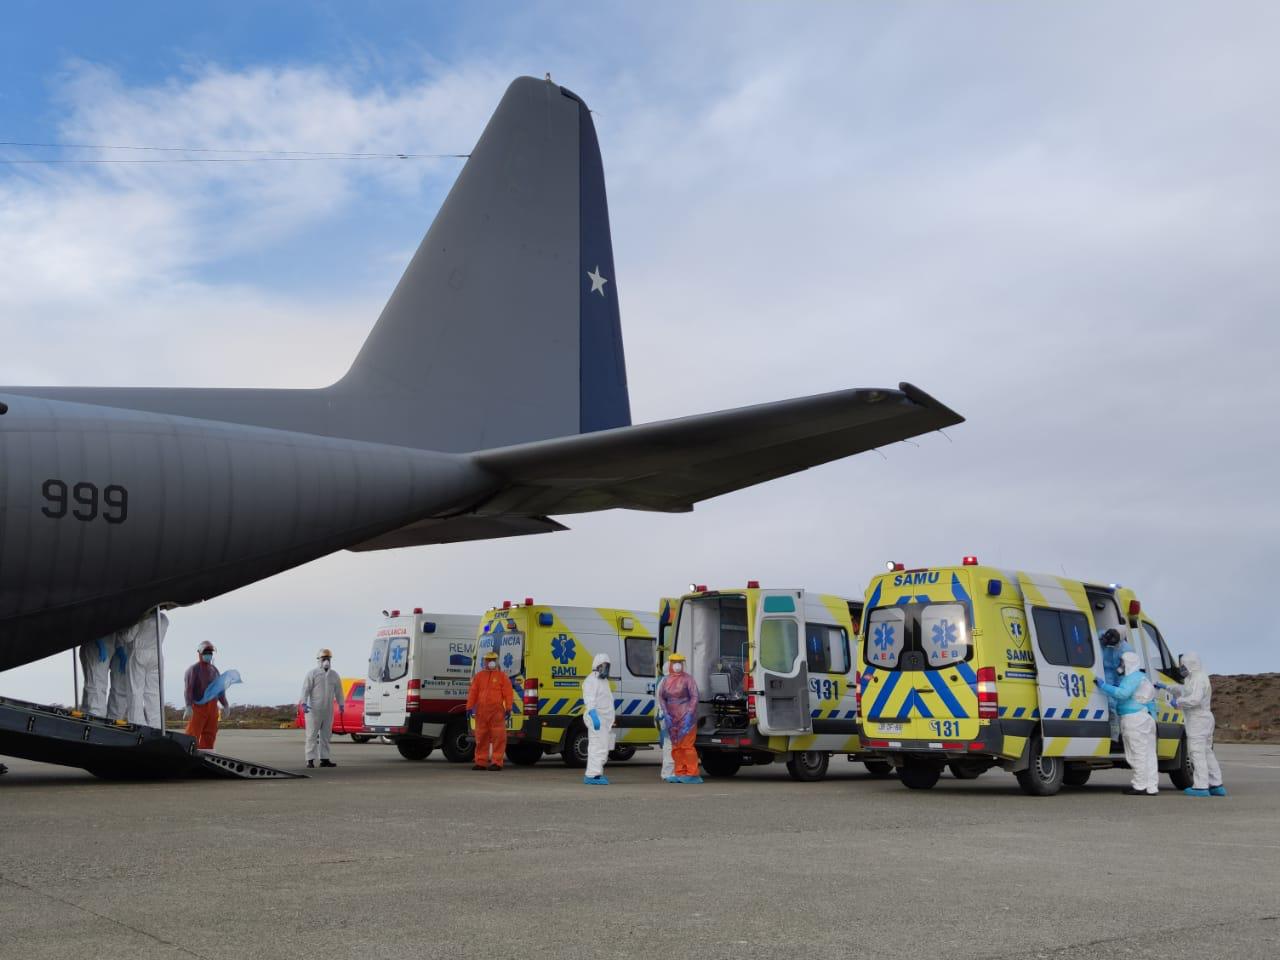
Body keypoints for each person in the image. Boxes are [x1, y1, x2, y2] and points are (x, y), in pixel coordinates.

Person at [1157, 652, 1226, 797]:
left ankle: (1201, 787)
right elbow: (1183, 690)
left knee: (1196, 752)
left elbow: (1194, 699)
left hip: (1198, 719)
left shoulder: (1198, 679)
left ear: (1190, 664)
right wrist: (1165, 686)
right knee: (1207, 752)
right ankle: (1216, 784)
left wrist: (1178, 703)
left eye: (1183, 665)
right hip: (1203, 719)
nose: (1181, 668)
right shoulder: (1195, 677)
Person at [1096, 650, 1158, 795]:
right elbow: (1151, 701)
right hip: (1145, 718)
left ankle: (1139, 785)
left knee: (1137, 753)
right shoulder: (1143, 677)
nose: (1120, 665)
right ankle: (1151, 786)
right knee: (1149, 753)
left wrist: (1103, 686)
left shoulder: (1132, 678)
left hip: (1134, 719)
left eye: (1122, 662)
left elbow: (1122, 693)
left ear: (1128, 664)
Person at [658, 652, 701, 783]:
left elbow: (695, 696)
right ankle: (680, 772)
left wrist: (690, 713)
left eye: (680, 662)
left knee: (687, 746)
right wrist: (665, 713)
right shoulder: (665, 681)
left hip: (686, 718)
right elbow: (661, 697)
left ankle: (692, 773)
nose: (677, 665)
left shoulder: (688, 679)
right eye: (674, 662)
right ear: (670, 664)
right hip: (672, 719)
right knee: (676, 747)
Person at [467, 650, 513, 770]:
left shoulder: (502, 677)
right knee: (481, 737)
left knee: (498, 737)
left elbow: (508, 693)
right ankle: (480, 762)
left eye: (493, 660)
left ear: (497, 661)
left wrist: (508, 708)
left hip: (496, 711)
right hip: (481, 711)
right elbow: (473, 693)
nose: (490, 662)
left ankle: (497, 762)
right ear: (484, 661)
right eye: (488, 660)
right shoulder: (479, 676)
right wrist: (469, 707)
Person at [299, 648, 345, 768]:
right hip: (314, 710)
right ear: (319, 660)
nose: (326, 661)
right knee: (312, 735)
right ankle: (310, 759)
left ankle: (325, 759)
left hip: (328, 710)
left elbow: (339, 691)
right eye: (324, 659)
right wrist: (303, 703)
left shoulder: (334, 675)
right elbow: (305, 689)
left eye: (328, 659)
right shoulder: (312, 673)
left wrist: (341, 703)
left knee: (326, 735)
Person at [126, 612, 169, 728]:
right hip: (157, 655)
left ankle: (137, 724)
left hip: (140, 652)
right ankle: (157, 726)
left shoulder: (141, 617)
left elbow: (127, 637)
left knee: (136, 690)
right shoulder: (164, 619)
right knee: (154, 693)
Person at [580, 653, 616, 785]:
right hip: (597, 718)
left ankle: (596, 773)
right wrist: (594, 716)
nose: (606, 669)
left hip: (604, 721)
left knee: (603, 746)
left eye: (608, 666)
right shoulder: (591, 680)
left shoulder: (603, 681)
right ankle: (592, 774)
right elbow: (590, 699)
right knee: (597, 746)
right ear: (598, 666)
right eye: (604, 666)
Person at [183, 641, 227, 749]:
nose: (209, 655)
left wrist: (225, 705)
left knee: (210, 734)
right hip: (198, 706)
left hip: (213, 707)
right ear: (200, 653)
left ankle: (206, 755)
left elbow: (220, 689)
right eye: (206, 652)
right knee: (192, 733)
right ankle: (187, 755)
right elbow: (188, 689)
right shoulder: (193, 669)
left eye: (210, 652)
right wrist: (188, 706)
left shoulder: (215, 670)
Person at [78, 635, 112, 716]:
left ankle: (89, 716)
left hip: (102, 647)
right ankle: (96, 717)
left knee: (95, 686)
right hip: (96, 648)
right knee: (96, 685)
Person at [654, 660, 676, 782]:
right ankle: (668, 773)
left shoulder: (665, 681)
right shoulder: (666, 682)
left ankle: (670, 772)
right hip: (668, 718)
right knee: (669, 746)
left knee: (671, 746)